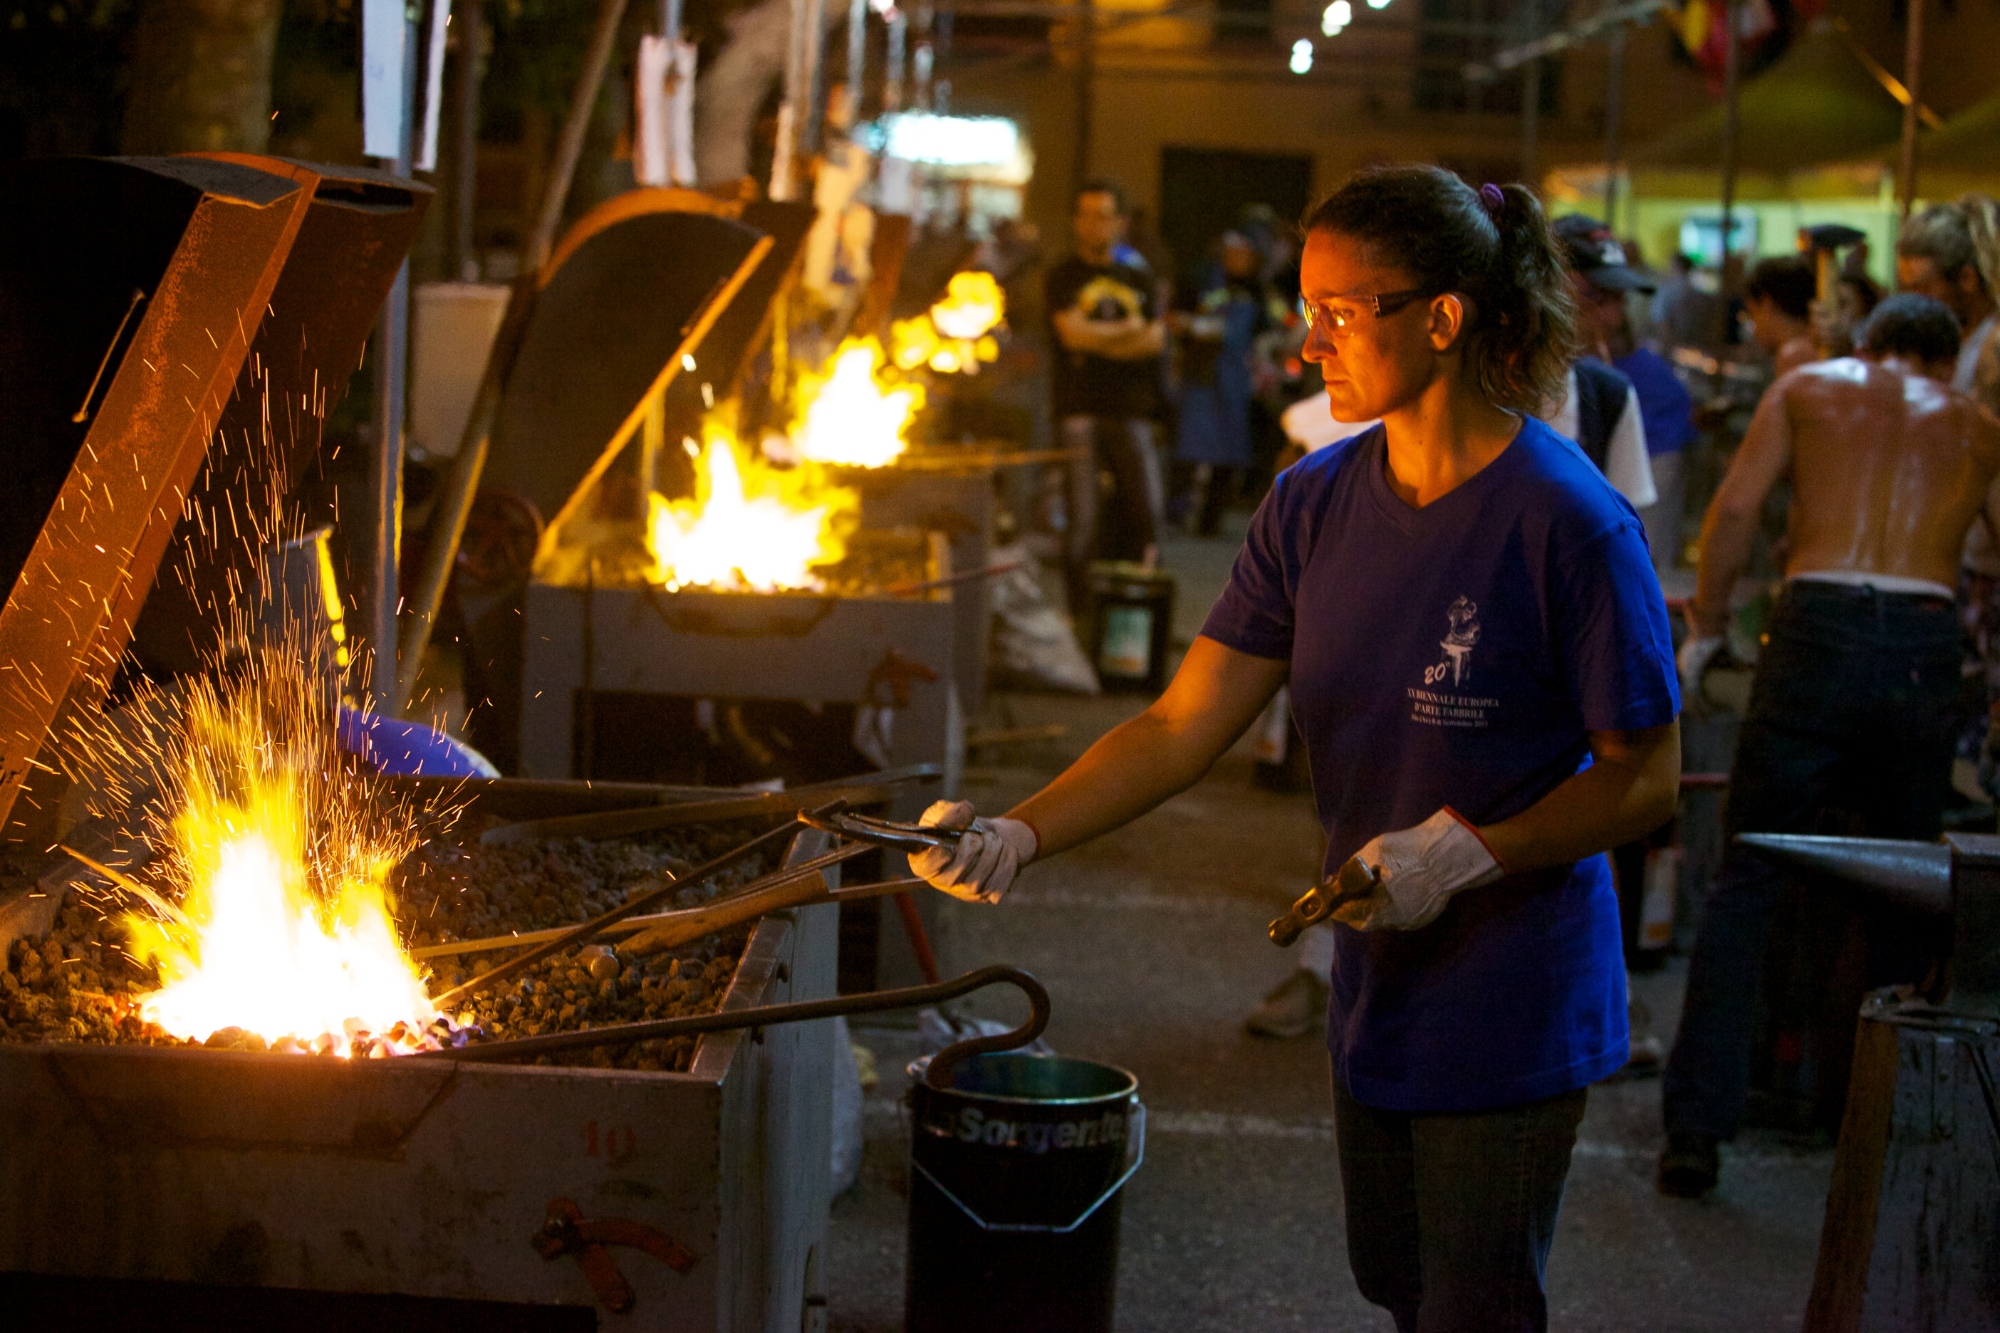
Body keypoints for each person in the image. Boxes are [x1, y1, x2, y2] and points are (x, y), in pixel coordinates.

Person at [913, 167, 1681, 1331]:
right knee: (1396, 1282)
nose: (1306, 338)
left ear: (1441, 316)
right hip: (1375, 982)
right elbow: (1179, 723)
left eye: (1338, 311)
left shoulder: (1566, 521)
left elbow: (1644, 775)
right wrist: (1019, 830)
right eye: (1303, 307)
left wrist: (1471, 853)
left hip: (1512, 995)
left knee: (1471, 1307)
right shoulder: (1311, 501)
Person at [1661, 294, 2000, 1198]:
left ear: (1871, 342)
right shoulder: (1978, 424)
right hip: (1923, 641)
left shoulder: (1810, 388)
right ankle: (1876, 1137)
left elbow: (1734, 513)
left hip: (1815, 625)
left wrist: (1711, 625)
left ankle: (1695, 1131)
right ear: (1941, 357)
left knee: (1750, 876)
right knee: (1901, 890)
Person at [1045, 180, 1168, 612]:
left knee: (1145, 512)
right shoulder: (1063, 276)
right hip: (1079, 410)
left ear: (1120, 222)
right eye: (1087, 215)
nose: (1096, 225)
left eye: (1105, 215)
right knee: (1083, 521)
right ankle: (1081, 615)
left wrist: (1096, 338)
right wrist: (1124, 335)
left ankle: (1135, 611)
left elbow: (1154, 340)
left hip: (1130, 409)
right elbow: (1070, 336)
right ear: (1076, 222)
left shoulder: (1138, 275)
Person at [1171, 231, 1271, 535]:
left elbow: (1265, 330)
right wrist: (1198, 326)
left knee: (1228, 455)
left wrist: (1265, 356)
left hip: (1235, 383)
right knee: (1189, 449)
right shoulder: (1199, 280)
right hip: (1200, 376)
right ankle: (1176, 514)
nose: (1241, 260)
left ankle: (1210, 521)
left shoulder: (1256, 290)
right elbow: (1173, 318)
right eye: (1235, 252)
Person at [1896, 196, 2000, 394]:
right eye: (1907, 289)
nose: (1913, 301)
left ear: (1966, 279)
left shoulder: (1995, 342)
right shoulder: (1945, 342)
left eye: (1923, 288)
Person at [1741, 255, 1819, 376]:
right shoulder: (1813, 346)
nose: (1755, 329)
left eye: (1752, 313)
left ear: (1767, 304)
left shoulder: (1794, 354)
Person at [1650, 252, 1723, 353]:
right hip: (1697, 347)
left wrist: (1672, 345)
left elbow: (1660, 320)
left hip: (1675, 348)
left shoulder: (1667, 289)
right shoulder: (1700, 289)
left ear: (1676, 266)